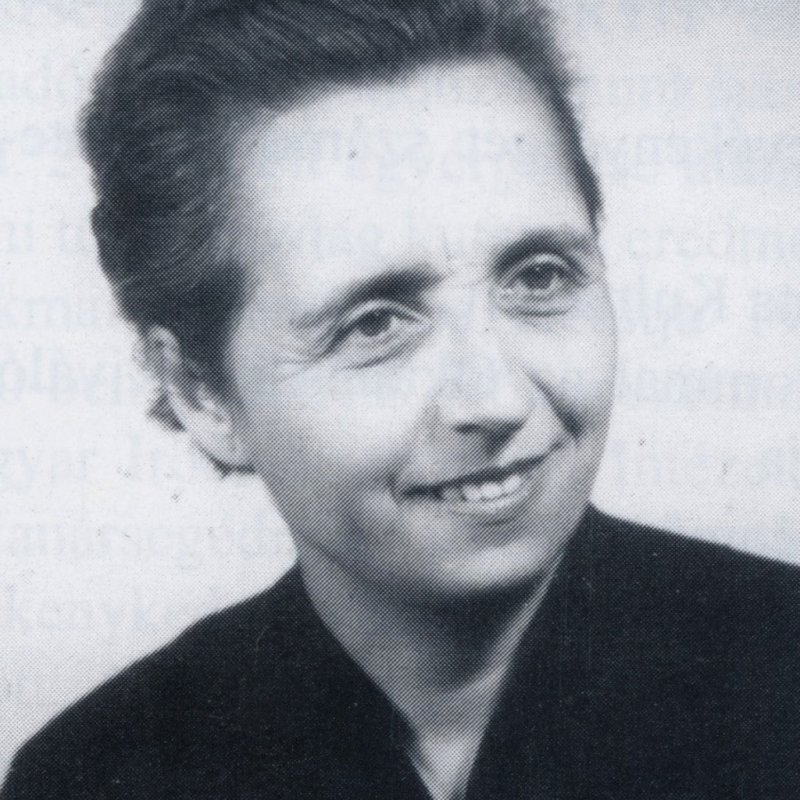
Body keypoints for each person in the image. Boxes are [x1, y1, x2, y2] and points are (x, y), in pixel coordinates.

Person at [3, 1, 799, 798]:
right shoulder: (94, 775)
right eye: (375, 323)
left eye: (539, 276)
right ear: (201, 393)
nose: (497, 399)